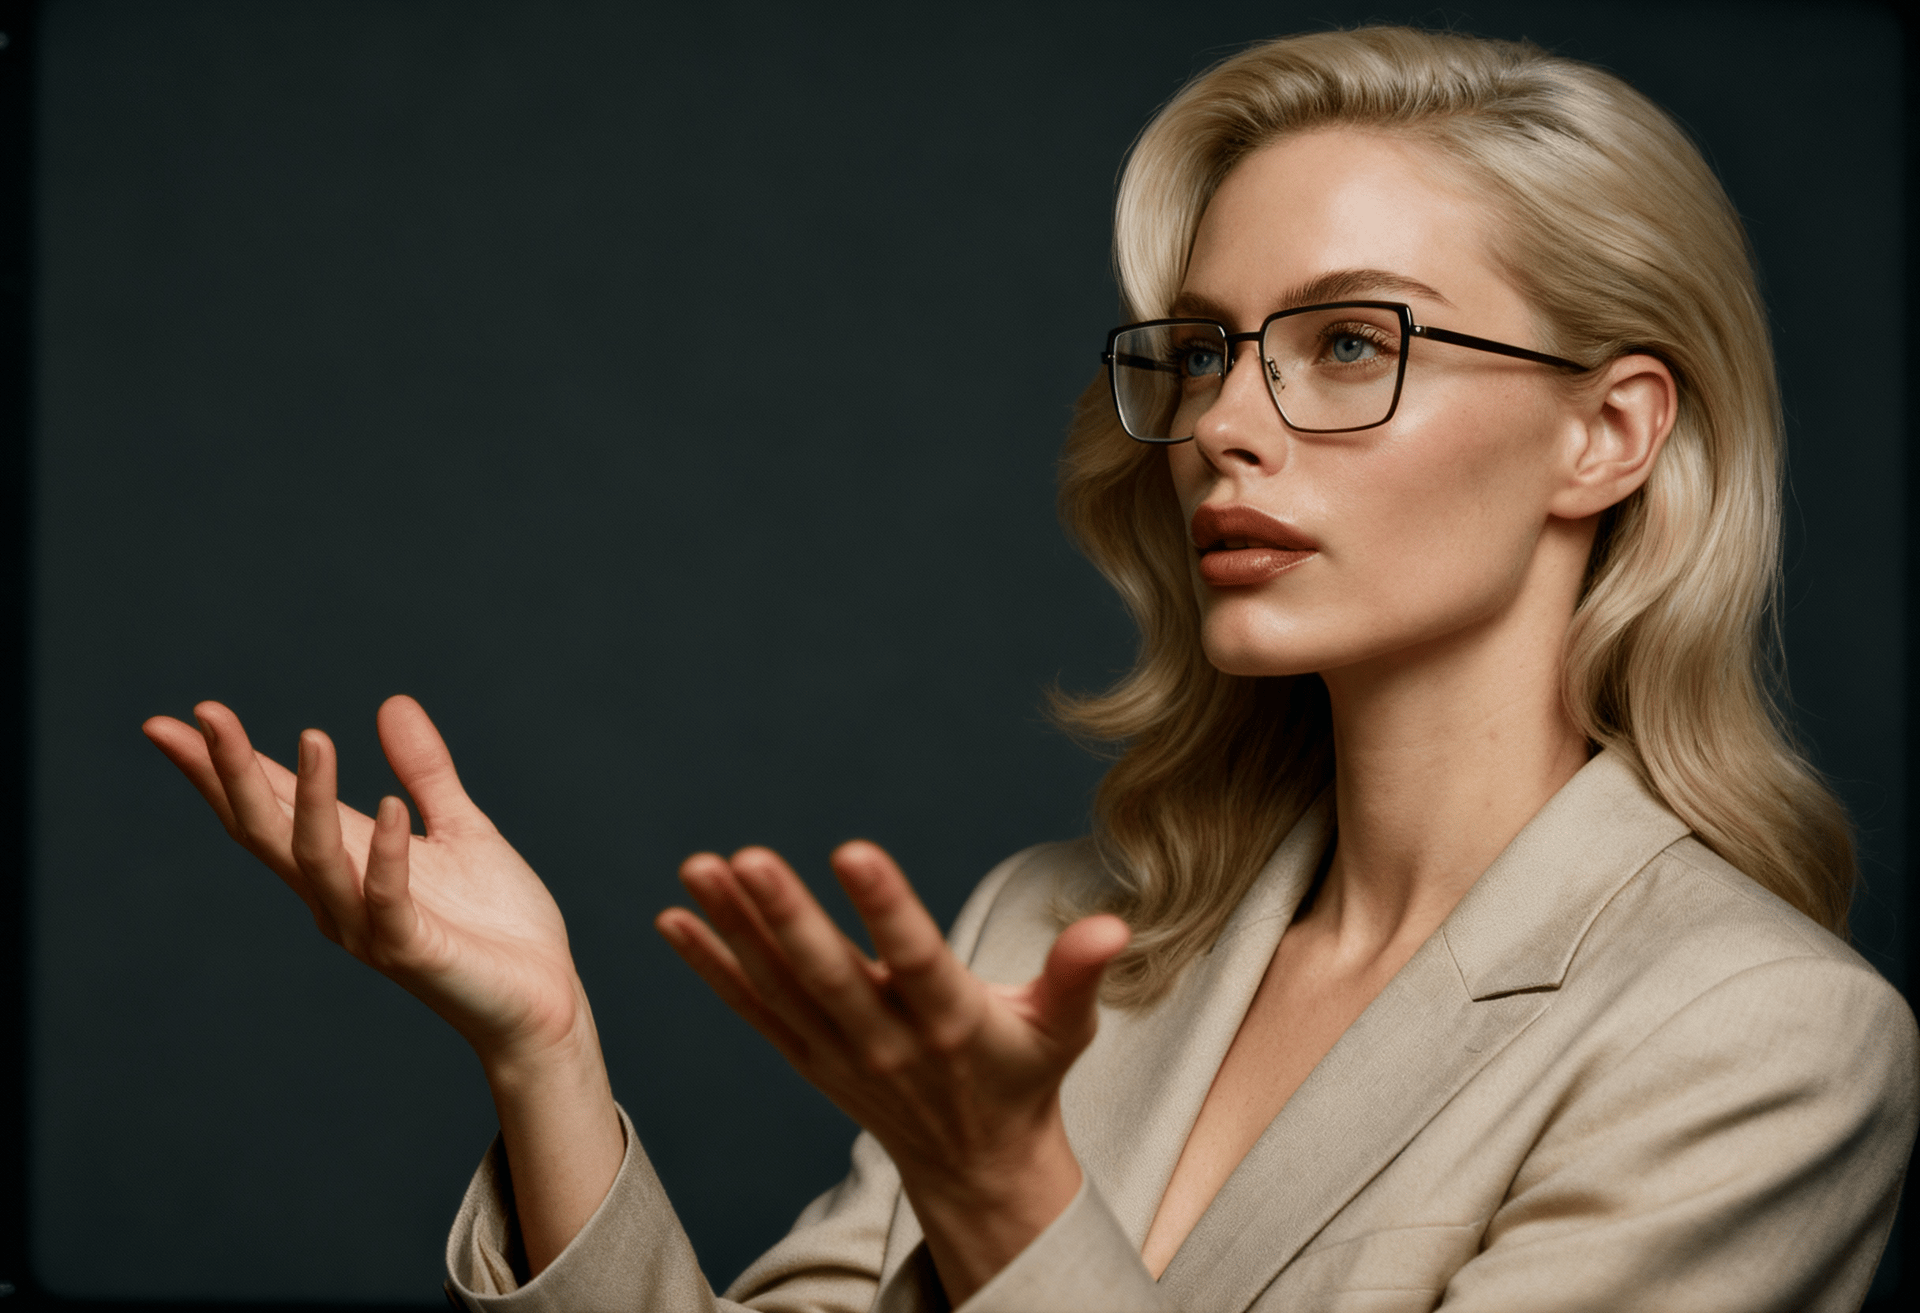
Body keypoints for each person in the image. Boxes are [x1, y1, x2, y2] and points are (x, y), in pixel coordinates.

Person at [143, 24, 1917, 1313]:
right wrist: (542, 1051)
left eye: (1348, 342)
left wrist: (1005, 1199)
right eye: (1204, 351)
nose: (1223, 425)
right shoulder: (1052, 939)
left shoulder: (1759, 1044)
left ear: (1607, 434)